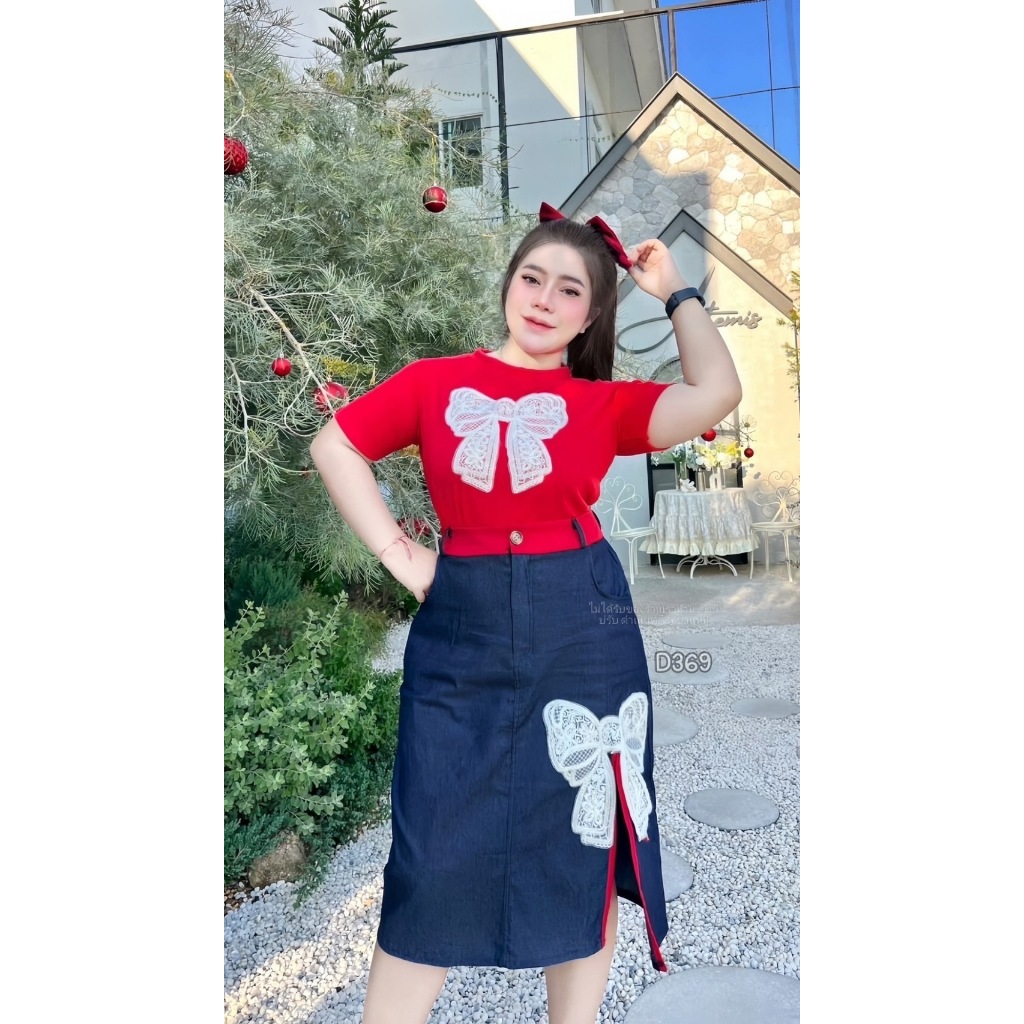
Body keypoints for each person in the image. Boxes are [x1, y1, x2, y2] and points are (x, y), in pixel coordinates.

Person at [310, 202, 742, 1024]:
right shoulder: (434, 381)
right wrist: (402, 555)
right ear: (509, 284)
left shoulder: (600, 403)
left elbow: (717, 390)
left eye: (570, 290)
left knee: (583, 840)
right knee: (432, 852)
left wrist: (675, 290)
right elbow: (336, 446)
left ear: (592, 313)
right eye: (532, 278)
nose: (544, 299)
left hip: (584, 632)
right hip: (460, 633)